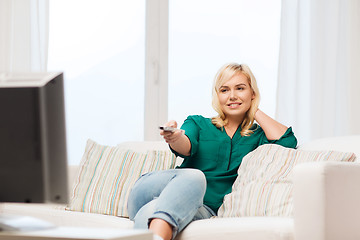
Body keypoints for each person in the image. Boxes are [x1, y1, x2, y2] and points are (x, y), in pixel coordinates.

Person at [127, 63, 297, 240]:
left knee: (152, 211)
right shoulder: (198, 123)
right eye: (224, 90)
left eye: (240, 89)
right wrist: (175, 138)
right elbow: (186, 145)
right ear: (217, 95)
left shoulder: (258, 136)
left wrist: (254, 109)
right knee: (194, 177)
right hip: (150, 192)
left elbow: (287, 141)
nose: (232, 96)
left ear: (252, 93)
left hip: (200, 209)